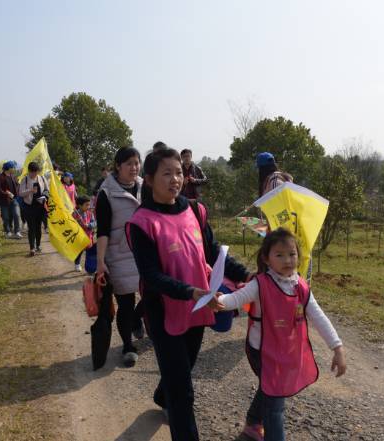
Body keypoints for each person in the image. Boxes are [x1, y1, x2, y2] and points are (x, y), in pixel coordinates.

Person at [127, 148, 250, 440]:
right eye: (167, 173)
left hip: (197, 307)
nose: (175, 179)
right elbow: (151, 276)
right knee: (183, 390)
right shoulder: (141, 223)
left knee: (182, 369)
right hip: (164, 313)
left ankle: (162, 395)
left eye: (179, 173)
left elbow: (213, 252)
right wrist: (189, 291)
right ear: (149, 179)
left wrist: (246, 275)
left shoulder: (195, 210)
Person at [216, 228, 346, 441]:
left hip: (286, 352)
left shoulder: (300, 286)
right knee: (275, 404)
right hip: (262, 352)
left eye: (292, 254)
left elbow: (318, 316)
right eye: (279, 255)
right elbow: (235, 299)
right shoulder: (259, 284)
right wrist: (218, 301)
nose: (287, 260)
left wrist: (337, 347)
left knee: (270, 387)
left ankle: (252, 423)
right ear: (266, 259)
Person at [95, 146, 145, 367]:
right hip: (119, 255)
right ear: (118, 166)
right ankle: (127, 346)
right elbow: (103, 231)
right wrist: (100, 262)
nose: (134, 168)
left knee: (153, 294)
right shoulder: (106, 193)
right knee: (125, 303)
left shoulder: (145, 186)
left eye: (137, 163)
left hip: (145, 252)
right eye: (129, 164)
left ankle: (137, 318)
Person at [18, 161, 49, 256]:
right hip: (29, 207)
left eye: (36, 172)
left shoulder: (42, 178)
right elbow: (20, 193)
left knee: (38, 227)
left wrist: (44, 197)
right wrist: (30, 190)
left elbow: (47, 190)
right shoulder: (25, 180)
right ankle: (32, 248)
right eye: (32, 172)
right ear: (29, 171)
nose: (34, 174)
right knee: (31, 227)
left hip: (40, 207)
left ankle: (38, 245)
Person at [0, 161, 22, 239]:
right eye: (13, 167)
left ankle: (17, 231)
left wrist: (18, 189)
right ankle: (8, 231)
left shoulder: (13, 176)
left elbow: (17, 185)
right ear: (9, 168)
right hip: (4, 201)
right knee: (5, 217)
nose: (14, 169)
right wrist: (6, 193)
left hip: (14, 200)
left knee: (16, 215)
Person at [72, 195, 96, 272]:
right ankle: (77, 263)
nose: (88, 207)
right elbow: (71, 224)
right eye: (86, 205)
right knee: (80, 251)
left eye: (89, 204)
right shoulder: (75, 214)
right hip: (79, 237)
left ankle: (90, 266)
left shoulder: (90, 214)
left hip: (88, 236)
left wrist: (89, 225)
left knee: (89, 252)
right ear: (80, 205)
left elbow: (94, 223)